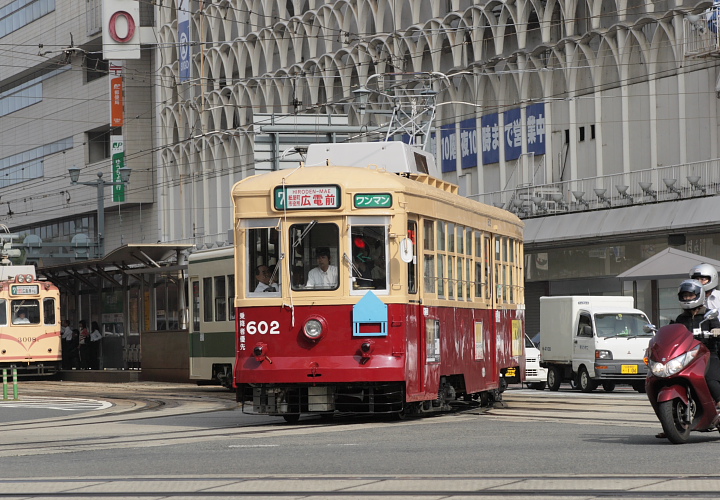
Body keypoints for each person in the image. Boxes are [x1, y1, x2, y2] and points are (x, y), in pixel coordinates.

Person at [657, 279, 720, 438]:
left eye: (690, 295)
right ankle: (671, 423)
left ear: (698, 296)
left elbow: (716, 327)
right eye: (684, 296)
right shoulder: (680, 319)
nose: (687, 298)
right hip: (687, 356)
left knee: (709, 378)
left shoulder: (709, 315)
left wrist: (716, 331)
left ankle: (719, 404)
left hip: (707, 353)